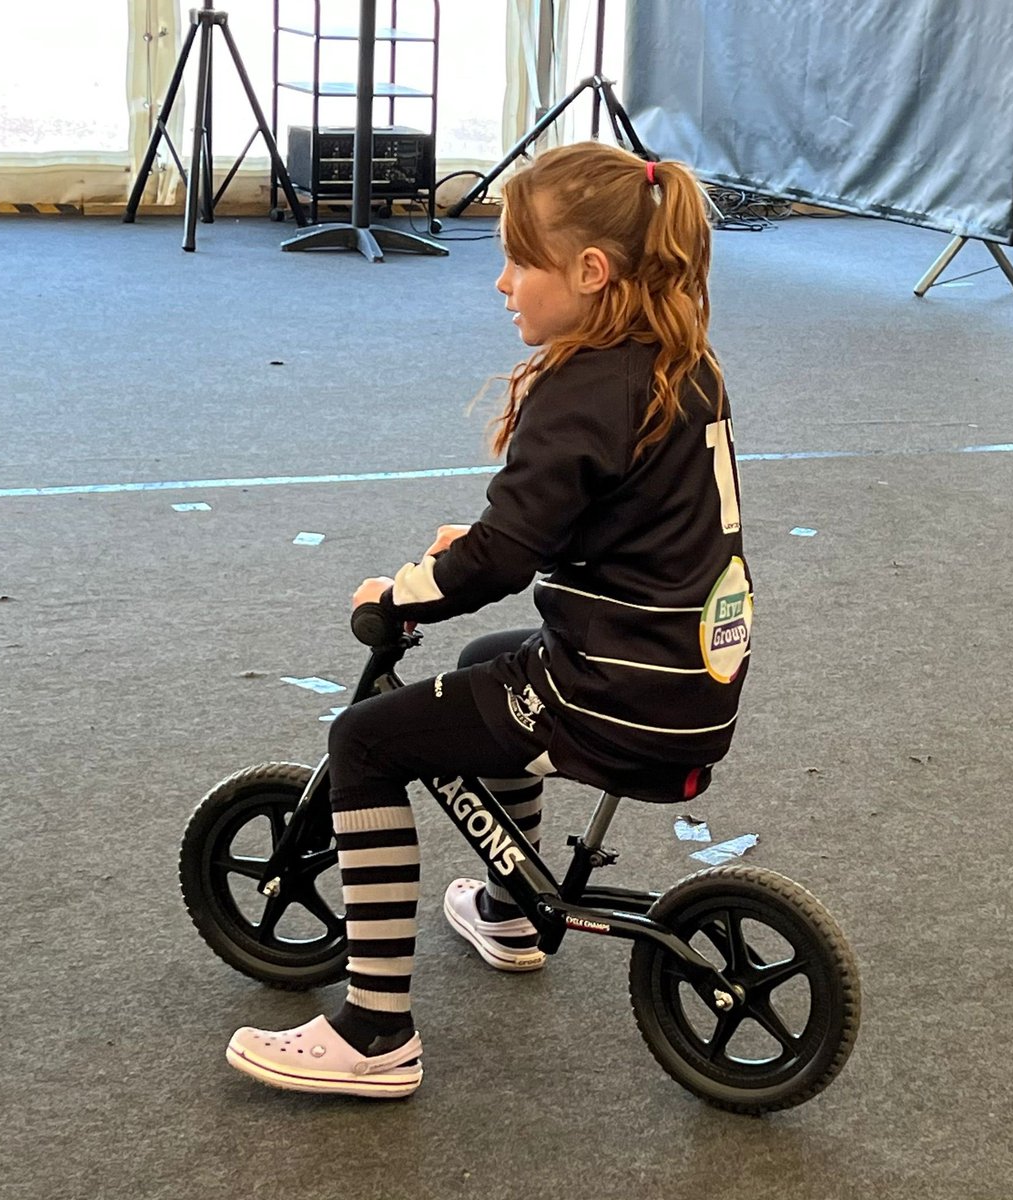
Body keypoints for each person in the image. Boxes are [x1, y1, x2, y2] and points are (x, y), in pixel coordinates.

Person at [224, 141, 753, 1099]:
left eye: (518, 261)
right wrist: (485, 539)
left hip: (611, 691)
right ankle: (514, 910)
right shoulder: (679, 364)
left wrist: (401, 592)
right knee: (490, 659)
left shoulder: (579, 391)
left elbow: (502, 562)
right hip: (684, 672)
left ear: (589, 272)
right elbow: (615, 518)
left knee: (365, 741)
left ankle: (374, 1030)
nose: (502, 283)